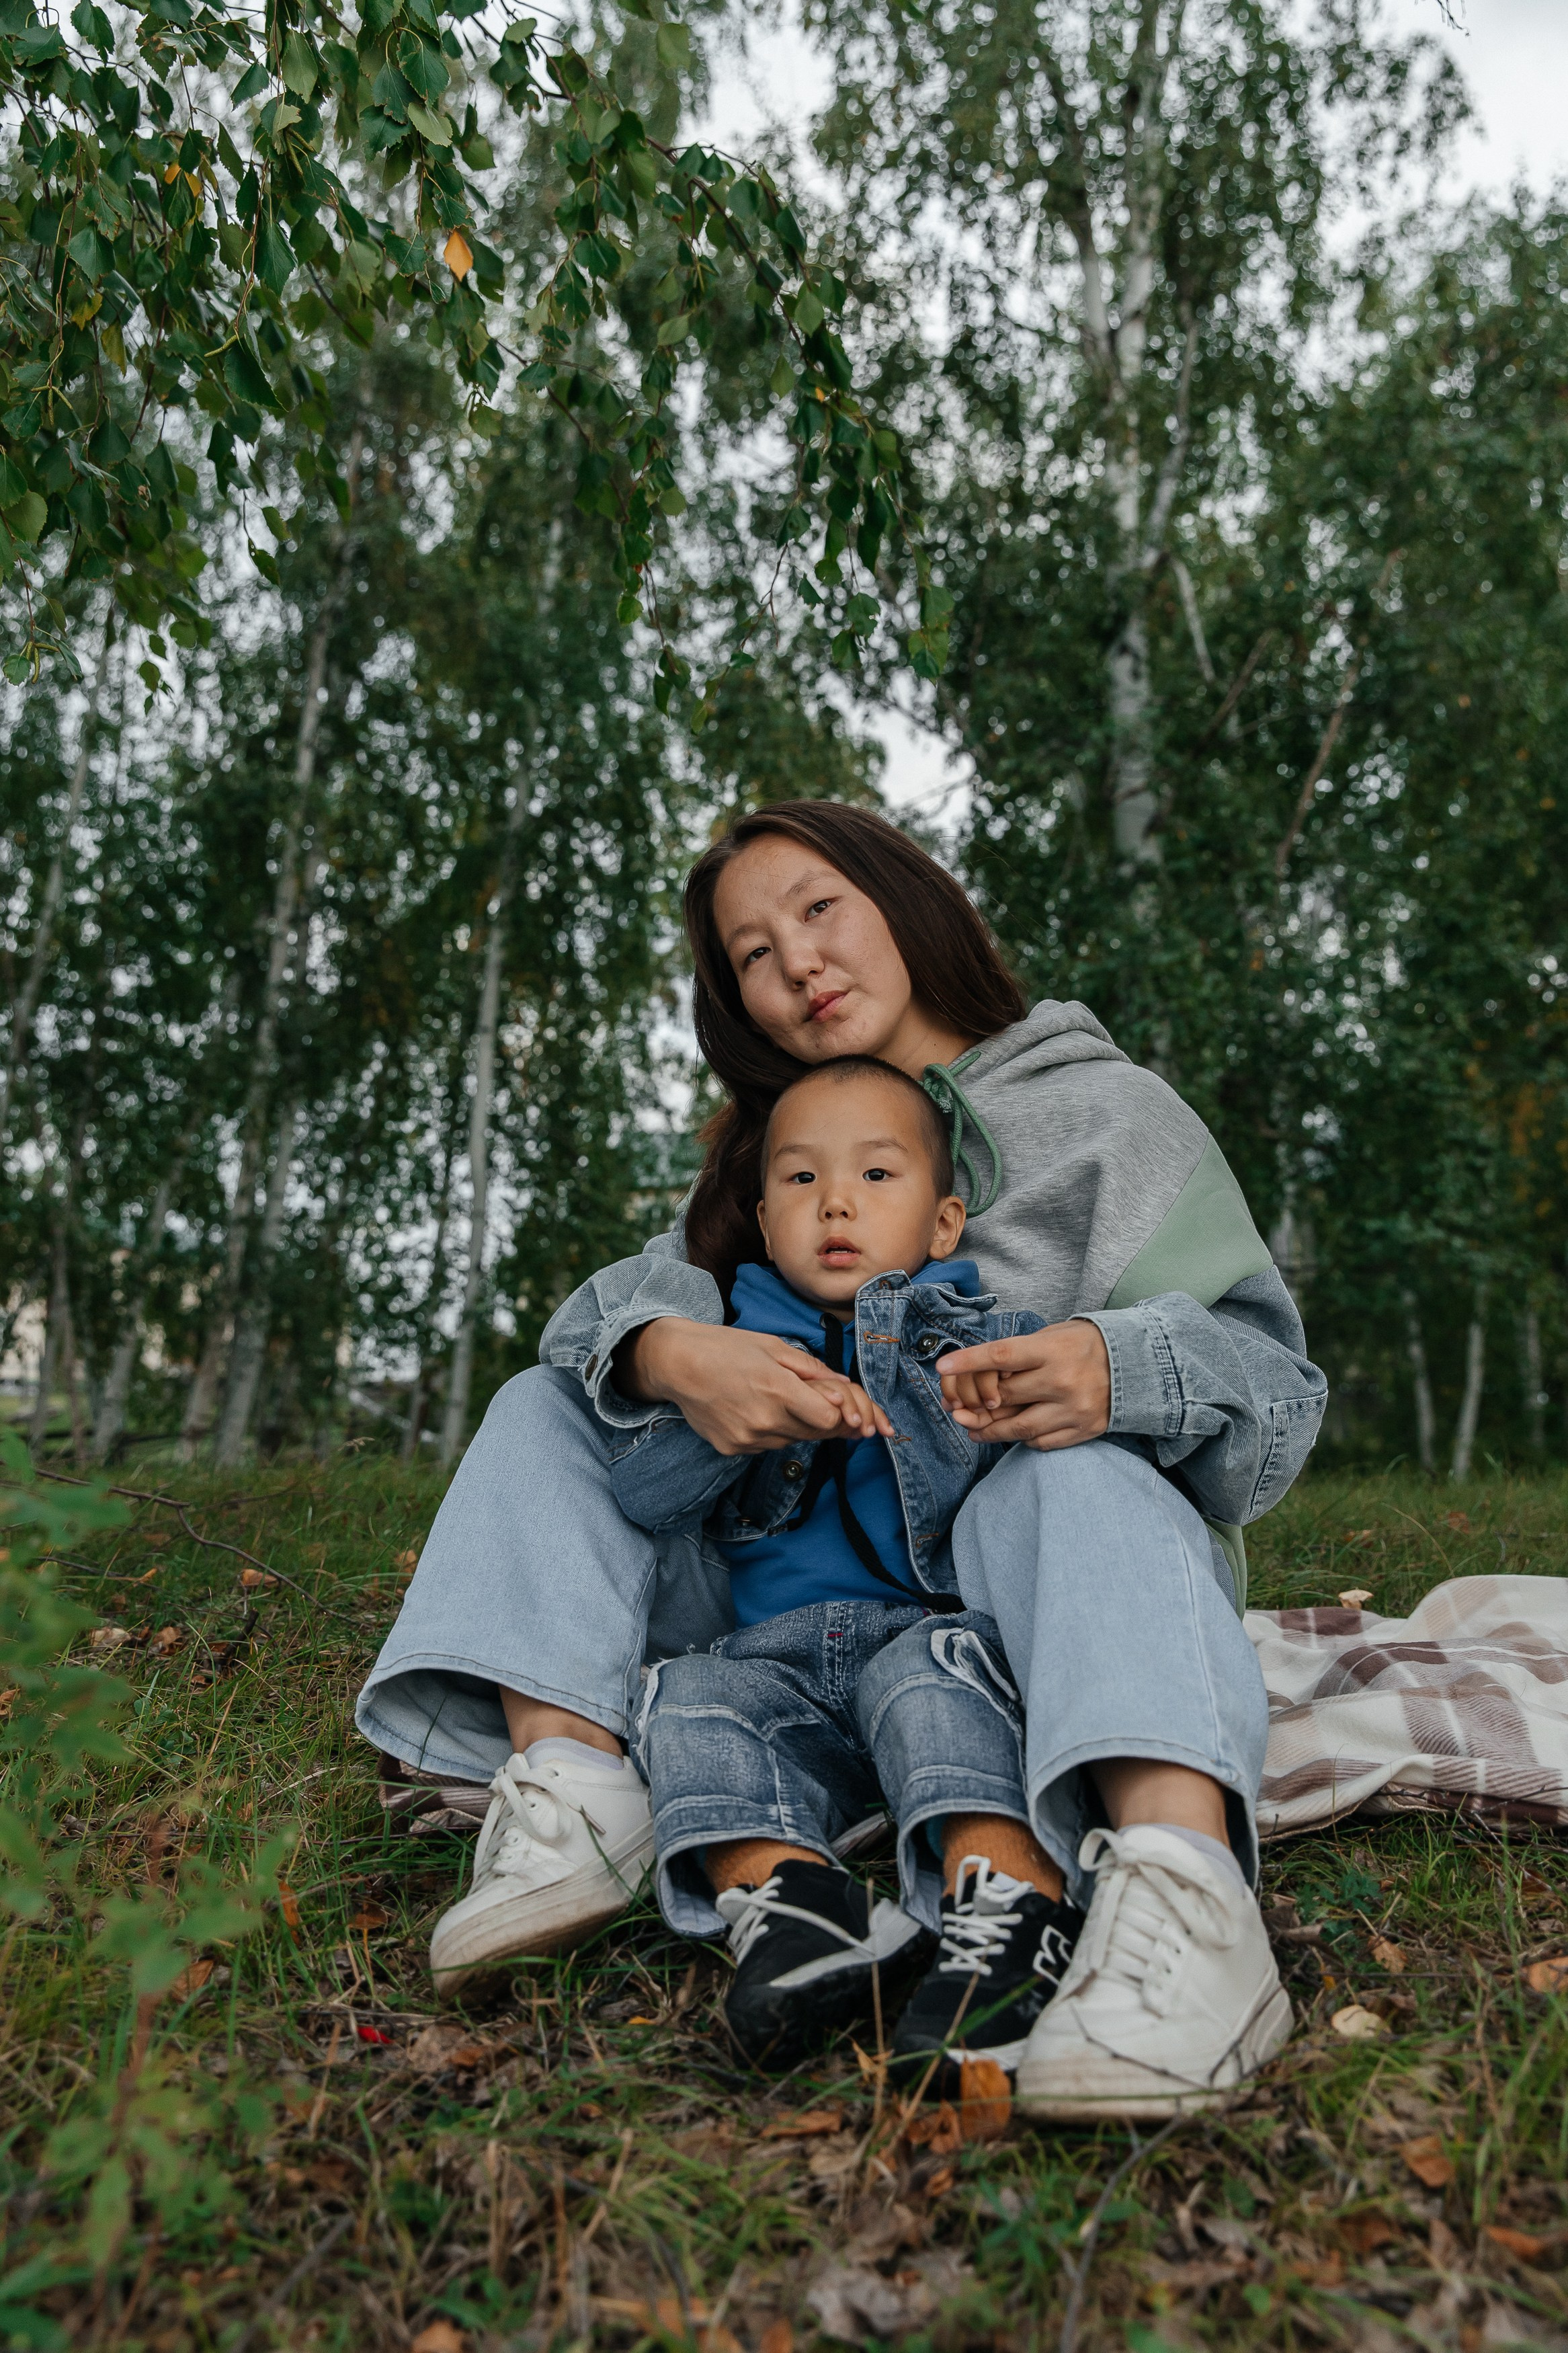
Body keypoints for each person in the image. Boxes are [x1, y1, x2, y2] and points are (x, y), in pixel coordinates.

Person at [357, 801, 1327, 2118]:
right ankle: (576, 1796)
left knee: (1068, 1458)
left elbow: (1277, 1393)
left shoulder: (1106, 1116)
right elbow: (593, 1318)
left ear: (903, 897)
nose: (796, 962)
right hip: (772, 1617)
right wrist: (669, 1357)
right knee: (552, 1400)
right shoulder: (776, 1152)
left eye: (818, 909)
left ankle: (1186, 1892)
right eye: (752, 952)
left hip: (1022, 1624)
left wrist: (1122, 1366)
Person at [620, 1052, 1086, 2082]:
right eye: (800, 1180)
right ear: (764, 1213)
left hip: (928, 1638)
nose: (835, 1199)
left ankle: (1007, 1909)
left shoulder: (987, 1337)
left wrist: (926, 1397)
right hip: (771, 1659)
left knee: (936, 1691)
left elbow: (1046, 1492)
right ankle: (799, 1904)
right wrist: (726, 1421)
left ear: (943, 1224)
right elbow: (641, 1498)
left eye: (876, 1176)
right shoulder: (726, 1345)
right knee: (687, 1701)